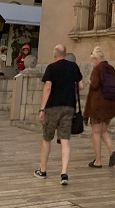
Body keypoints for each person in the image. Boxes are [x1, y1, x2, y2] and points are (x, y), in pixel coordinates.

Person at [35, 44, 84, 186]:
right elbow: (81, 86)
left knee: (47, 138)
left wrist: (42, 109)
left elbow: (48, 87)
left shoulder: (51, 68)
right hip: (69, 107)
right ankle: (64, 173)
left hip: (52, 107)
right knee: (65, 139)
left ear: (55, 54)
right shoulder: (73, 67)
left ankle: (43, 169)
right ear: (65, 53)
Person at [84, 46, 115, 169]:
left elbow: (94, 84)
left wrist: (89, 81)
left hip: (97, 105)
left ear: (95, 58)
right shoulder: (111, 69)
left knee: (96, 132)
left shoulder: (97, 69)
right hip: (110, 105)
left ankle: (98, 161)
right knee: (104, 131)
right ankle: (112, 150)